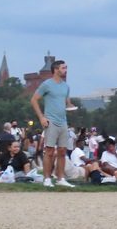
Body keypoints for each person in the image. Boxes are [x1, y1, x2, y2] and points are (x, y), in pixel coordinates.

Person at [31, 59, 76, 188]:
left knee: (62, 151)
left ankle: (60, 178)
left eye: (66, 68)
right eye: (63, 68)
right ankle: (46, 178)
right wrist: (41, 117)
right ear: (56, 70)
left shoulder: (66, 86)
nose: (66, 70)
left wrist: (70, 107)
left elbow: (67, 102)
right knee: (49, 151)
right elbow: (34, 100)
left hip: (63, 122)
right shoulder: (47, 84)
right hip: (50, 121)